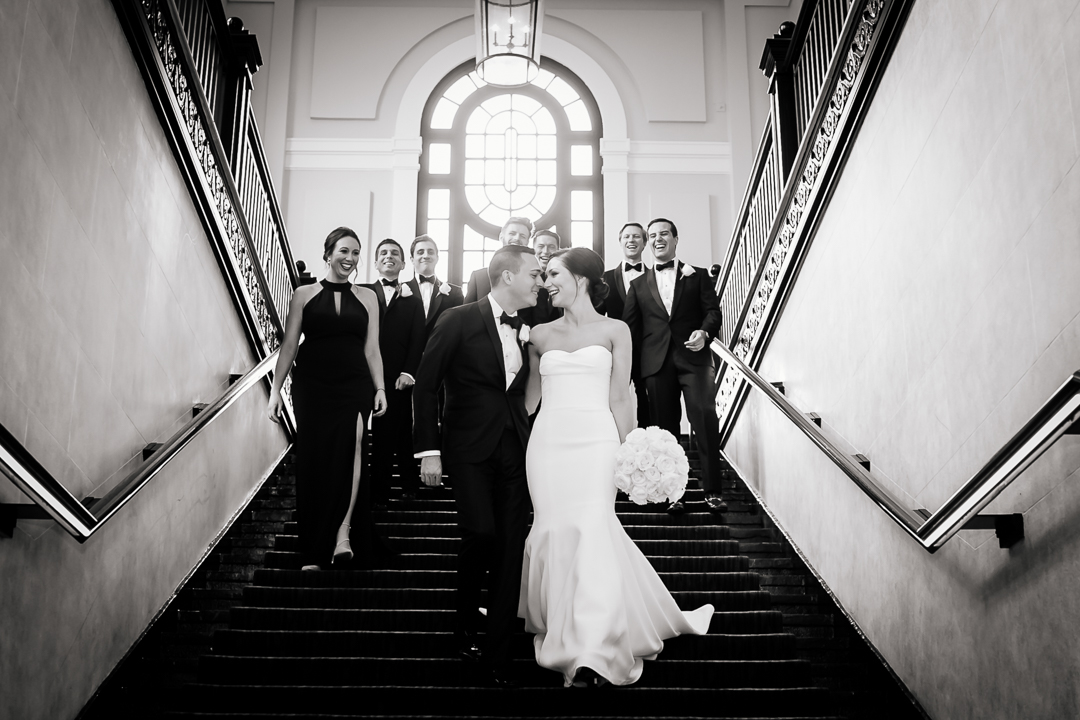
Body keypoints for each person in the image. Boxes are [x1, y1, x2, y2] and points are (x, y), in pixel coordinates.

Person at [519, 247, 714, 688]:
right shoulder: (538, 335)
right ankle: (563, 627)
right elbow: (529, 400)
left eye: (553, 274)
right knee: (552, 529)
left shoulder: (616, 329)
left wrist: (632, 450)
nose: (545, 281)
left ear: (582, 279)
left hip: (596, 441)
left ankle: (593, 648)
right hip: (548, 444)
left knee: (592, 528)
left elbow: (621, 395)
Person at [413, 244, 544, 687]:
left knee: (511, 548)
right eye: (534, 274)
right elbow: (426, 386)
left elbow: (523, 391)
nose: (539, 282)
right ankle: (465, 624)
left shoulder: (527, 329)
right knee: (481, 533)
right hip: (467, 449)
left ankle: (498, 654)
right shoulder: (458, 319)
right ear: (508, 277)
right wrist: (429, 450)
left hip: (514, 446)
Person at [267, 227, 392, 570]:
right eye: (343, 251)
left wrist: (380, 387)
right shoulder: (303, 294)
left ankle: (343, 533)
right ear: (328, 254)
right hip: (312, 384)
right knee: (315, 460)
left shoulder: (369, 297)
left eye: (355, 253)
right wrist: (276, 390)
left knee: (353, 448)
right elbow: (290, 345)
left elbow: (372, 348)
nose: (350, 259)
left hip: (355, 383)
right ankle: (314, 547)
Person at [623, 218, 725, 515]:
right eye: (652, 235)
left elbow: (713, 311)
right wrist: (631, 374)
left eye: (663, 234)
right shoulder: (638, 284)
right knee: (664, 431)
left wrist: (704, 332)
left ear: (675, 239)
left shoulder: (699, 276)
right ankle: (673, 495)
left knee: (705, 415)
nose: (657, 239)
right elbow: (631, 329)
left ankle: (713, 491)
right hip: (655, 364)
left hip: (694, 360)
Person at [363, 239, 426, 505]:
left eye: (395, 254)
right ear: (376, 262)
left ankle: (383, 491)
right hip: (363, 374)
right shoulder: (362, 291)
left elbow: (418, 337)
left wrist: (409, 372)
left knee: (393, 434)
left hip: (397, 377)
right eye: (383, 253)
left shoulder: (413, 300)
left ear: (403, 263)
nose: (389, 257)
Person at [601, 222, 650, 428]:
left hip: (648, 348)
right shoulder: (604, 278)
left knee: (648, 399)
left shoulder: (655, 277)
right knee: (611, 396)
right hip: (615, 348)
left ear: (645, 243)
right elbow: (597, 314)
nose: (631, 240)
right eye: (627, 237)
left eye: (637, 237)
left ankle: (646, 441)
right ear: (620, 242)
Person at [405, 234, 464, 337]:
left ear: (437, 258)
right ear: (412, 259)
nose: (426, 255)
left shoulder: (455, 293)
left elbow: (459, 328)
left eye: (430, 252)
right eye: (420, 252)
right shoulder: (400, 290)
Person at [463, 217, 533, 302]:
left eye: (522, 236)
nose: (517, 238)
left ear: (527, 242)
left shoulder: (534, 279)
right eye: (512, 233)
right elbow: (466, 313)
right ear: (501, 237)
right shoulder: (478, 278)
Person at [520, 229, 563, 327]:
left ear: (558, 250)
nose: (546, 251)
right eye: (541, 246)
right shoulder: (521, 278)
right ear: (533, 249)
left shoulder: (564, 278)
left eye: (551, 247)